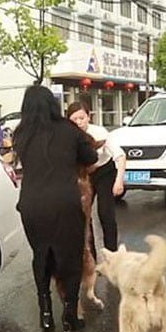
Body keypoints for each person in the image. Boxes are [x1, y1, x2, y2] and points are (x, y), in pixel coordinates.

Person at [13, 85, 98, 331]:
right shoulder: (69, 130)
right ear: (53, 104)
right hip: (65, 203)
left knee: (41, 255)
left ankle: (46, 314)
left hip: (32, 205)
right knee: (69, 258)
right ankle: (70, 314)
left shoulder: (21, 134)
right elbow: (91, 158)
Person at [67, 101, 126, 258]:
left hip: (105, 171)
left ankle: (112, 256)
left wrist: (119, 181)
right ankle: (90, 259)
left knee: (106, 213)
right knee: (83, 216)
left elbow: (120, 156)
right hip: (85, 175)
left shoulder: (100, 132)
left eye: (82, 118)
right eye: (74, 119)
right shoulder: (68, 136)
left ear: (89, 117)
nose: (79, 123)